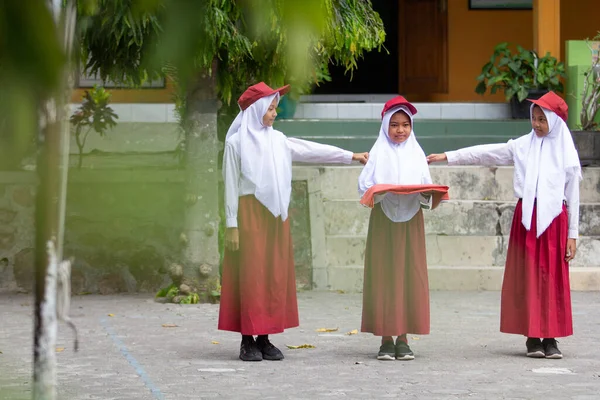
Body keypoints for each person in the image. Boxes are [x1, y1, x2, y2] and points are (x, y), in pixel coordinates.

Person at [218, 82, 369, 362]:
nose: (275, 113)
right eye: (271, 108)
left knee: (273, 274)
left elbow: (311, 150)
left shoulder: (279, 140)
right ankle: (247, 340)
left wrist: (350, 156)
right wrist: (231, 223)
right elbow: (229, 183)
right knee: (251, 275)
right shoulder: (235, 143)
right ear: (255, 110)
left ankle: (265, 338)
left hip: (276, 216)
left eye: (275, 108)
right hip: (249, 214)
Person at [426, 91, 581, 359]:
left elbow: (574, 194)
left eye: (542, 119)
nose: (536, 124)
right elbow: (486, 153)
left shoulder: (565, 152)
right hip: (527, 219)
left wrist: (573, 234)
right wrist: (448, 156)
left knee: (552, 278)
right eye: (533, 118)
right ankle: (533, 337)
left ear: (555, 121)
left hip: (556, 220)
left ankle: (551, 338)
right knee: (529, 277)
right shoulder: (522, 145)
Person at [358, 96, 441, 361]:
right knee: (383, 274)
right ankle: (385, 337)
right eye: (394, 124)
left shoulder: (417, 153)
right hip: (384, 219)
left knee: (409, 275)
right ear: (385, 125)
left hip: (411, 221)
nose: (400, 130)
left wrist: (428, 193)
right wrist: (381, 191)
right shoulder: (377, 153)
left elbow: (427, 185)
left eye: (405, 124)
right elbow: (364, 186)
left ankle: (404, 337)